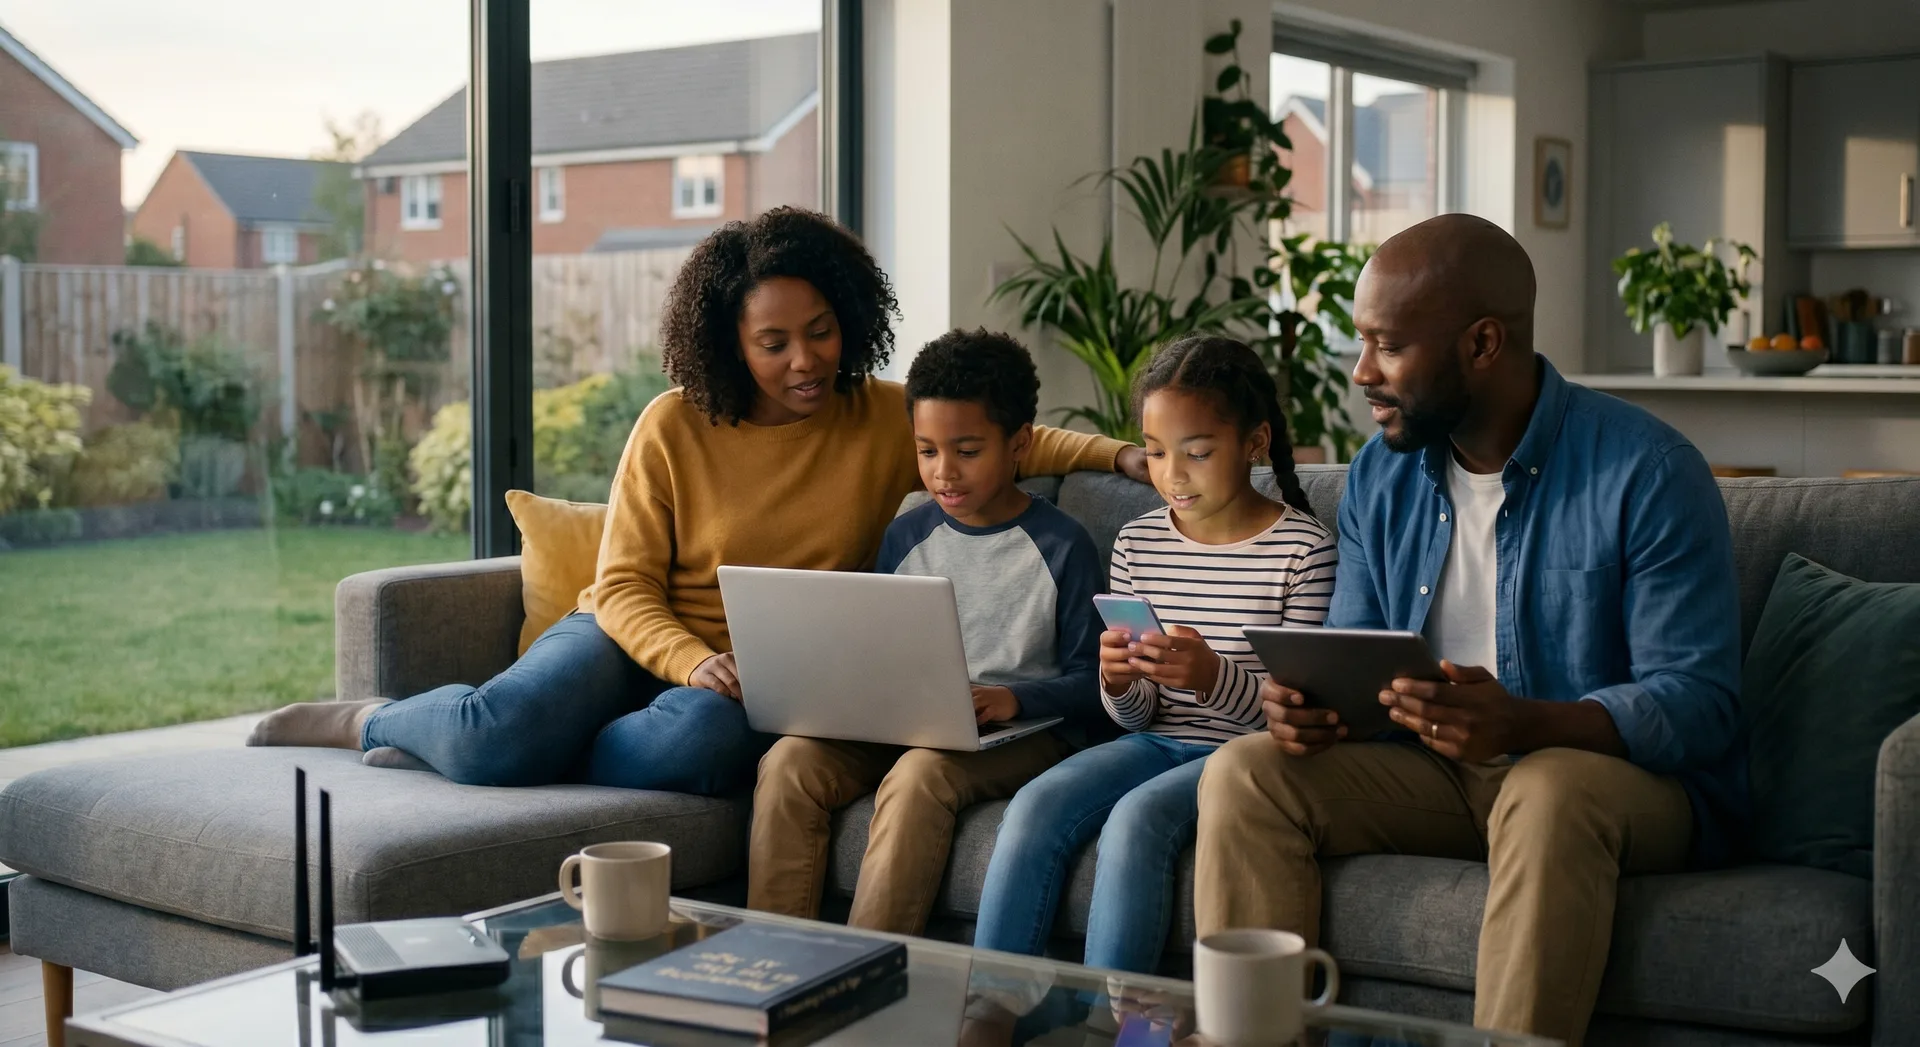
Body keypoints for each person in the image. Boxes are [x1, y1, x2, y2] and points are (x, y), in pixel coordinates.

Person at [247, 207, 1148, 794]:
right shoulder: (674, 424)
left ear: (851, 317)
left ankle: (550, 750)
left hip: (754, 677)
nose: (806, 359)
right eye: (774, 342)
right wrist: (689, 660)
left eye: (822, 331)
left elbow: (1006, 438)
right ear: (730, 344)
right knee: (495, 736)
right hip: (629, 637)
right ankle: (367, 717)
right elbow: (626, 583)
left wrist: (1121, 453)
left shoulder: (884, 417)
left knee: (710, 751)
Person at [1191, 214, 1743, 1047]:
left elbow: (1699, 704)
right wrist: (1315, 708)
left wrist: (1526, 722)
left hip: (1614, 786)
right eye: (1361, 342)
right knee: (1247, 772)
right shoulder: (1383, 473)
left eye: (1389, 346)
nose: (1361, 371)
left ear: (1483, 344)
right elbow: (1356, 650)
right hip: (1439, 774)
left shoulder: (1648, 472)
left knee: (1544, 786)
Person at [970, 335, 1337, 975]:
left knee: (1135, 822)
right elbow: (1136, 718)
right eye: (1157, 453)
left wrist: (1215, 678)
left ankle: (1123, 1029)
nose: (1172, 475)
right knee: (1032, 808)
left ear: (1255, 442)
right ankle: (990, 1011)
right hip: (1154, 742)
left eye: (1197, 453)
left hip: (1241, 760)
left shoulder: (1304, 551)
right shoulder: (1139, 542)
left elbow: (1294, 719)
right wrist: (1120, 682)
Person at [748, 328, 1115, 935]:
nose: (943, 473)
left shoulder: (1062, 545)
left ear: (1020, 442)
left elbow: (1094, 686)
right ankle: (770, 962)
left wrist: (1013, 698)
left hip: (1021, 730)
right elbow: (870, 648)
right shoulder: (906, 535)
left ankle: (867, 972)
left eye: (967, 451)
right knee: (789, 762)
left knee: (921, 775)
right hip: (906, 718)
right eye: (926, 451)